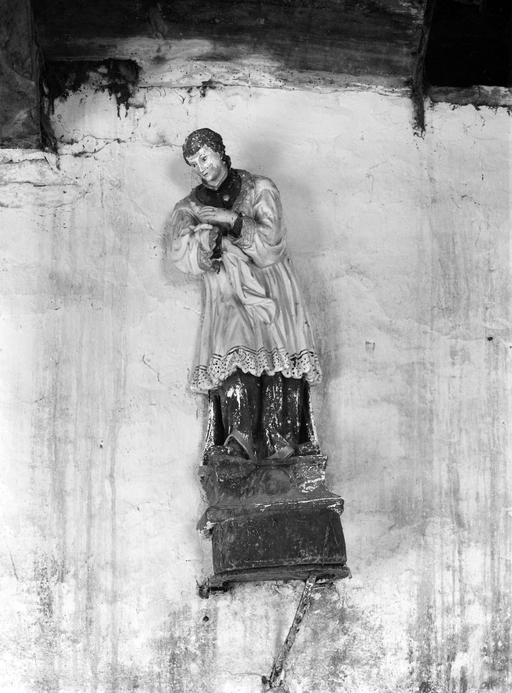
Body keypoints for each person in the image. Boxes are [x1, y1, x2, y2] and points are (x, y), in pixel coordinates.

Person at [168, 128, 322, 461]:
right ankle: (239, 438)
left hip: (272, 286)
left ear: (220, 151)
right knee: (234, 350)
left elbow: (270, 243)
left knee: (279, 352)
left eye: (205, 157)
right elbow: (179, 250)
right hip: (228, 290)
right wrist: (208, 241)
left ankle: (281, 437)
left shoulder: (259, 188)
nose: (201, 168)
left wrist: (231, 220)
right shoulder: (190, 207)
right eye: (194, 163)